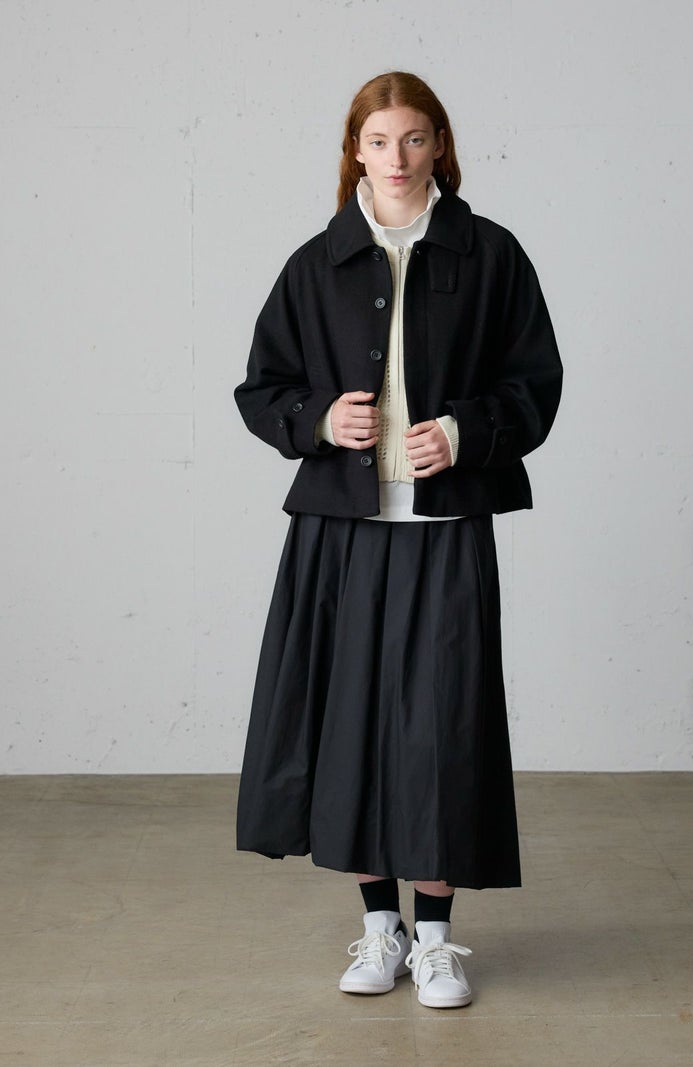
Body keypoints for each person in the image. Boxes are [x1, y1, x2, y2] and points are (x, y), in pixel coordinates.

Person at [233, 71, 562, 1009]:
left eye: (414, 138)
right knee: (352, 728)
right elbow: (262, 388)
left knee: (443, 729)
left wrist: (463, 433)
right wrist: (315, 420)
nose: (397, 157)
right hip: (342, 533)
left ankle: (437, 940)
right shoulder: (317, 263)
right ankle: (381, 929)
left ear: (439, 144)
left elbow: (535, 384)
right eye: (378, 141)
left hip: (444, 528)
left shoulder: (490, 255)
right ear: (355, 152)